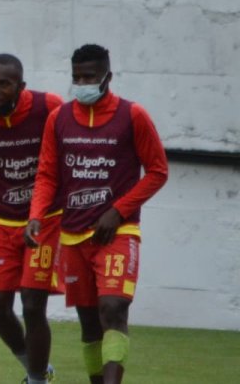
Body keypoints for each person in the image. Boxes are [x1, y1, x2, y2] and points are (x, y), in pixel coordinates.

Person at [26, 45, 169, 384]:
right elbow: (47, 175)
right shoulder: (58, 119)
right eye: (76, 77)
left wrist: (118, 212)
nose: (82, 84)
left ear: (108, 77)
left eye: (89, 77)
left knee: (113, 309)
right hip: (72, 236)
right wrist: (36, 215)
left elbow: (158, 171)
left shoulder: (132, 115)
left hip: (117, 233)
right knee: (90, 325)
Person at [0, 54, 63, 384]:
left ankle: (36, 380)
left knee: (32, 303)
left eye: (3, 84)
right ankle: (36, 367)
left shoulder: (49, 107)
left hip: (45, 221)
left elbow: (61, 162)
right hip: (1, 223)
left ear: (21, 87)